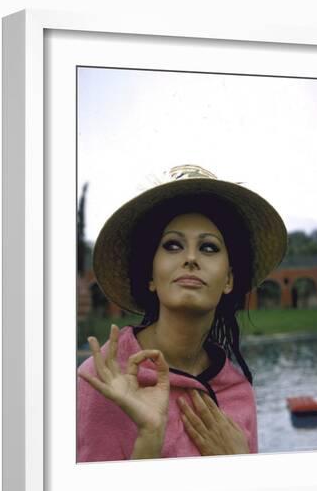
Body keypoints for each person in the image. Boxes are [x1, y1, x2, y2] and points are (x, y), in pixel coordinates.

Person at [77, 164, 287, 462]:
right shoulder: (102, 381)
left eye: (209, 248)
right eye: (173, 245)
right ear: (151, 275)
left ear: (228, 280)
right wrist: (150, 436)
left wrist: (240, 462)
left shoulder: (239, 392)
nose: (190, 258)